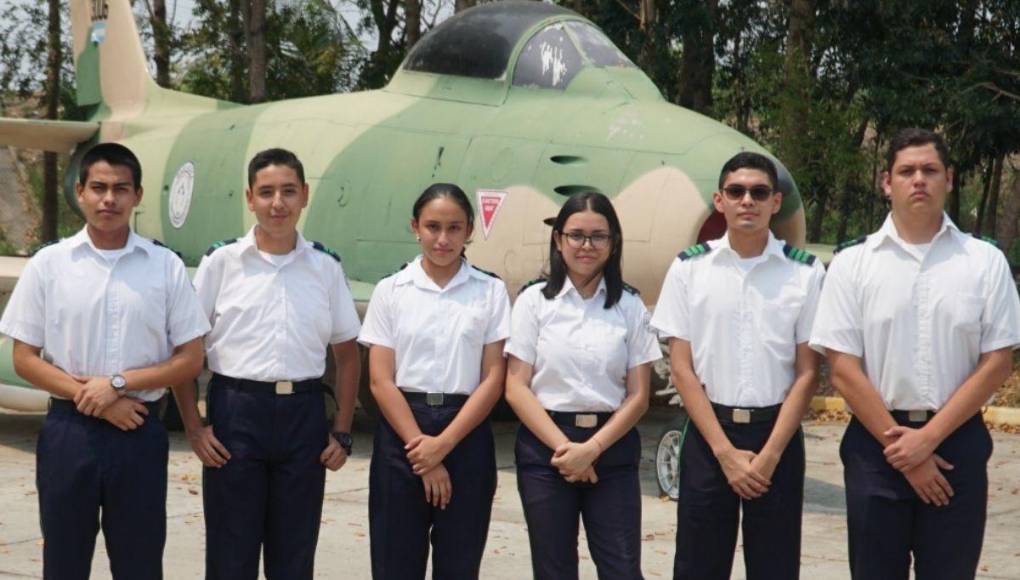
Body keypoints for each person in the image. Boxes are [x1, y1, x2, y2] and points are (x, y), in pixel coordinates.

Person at [809, 128, 1020, 580]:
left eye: (929, 170)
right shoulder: (853, 263)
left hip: (956, 446)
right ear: (887, 182)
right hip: (875, 447)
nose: (918, 179)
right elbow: (843, 369)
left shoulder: (983, 262)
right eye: (906, 171)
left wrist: (927, 441)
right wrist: (904, 447)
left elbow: (997, 361)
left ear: (949, 178)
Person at [0, 142, 209, 579]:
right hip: (68, 435)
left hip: (139, 432)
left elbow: (190, 359)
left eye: (120, 188)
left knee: (139, 562)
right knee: (64, 561)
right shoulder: (48, 264)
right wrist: (92, 396)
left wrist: (116, 383)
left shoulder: (165, 266)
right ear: (80, 192)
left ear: (138, 195)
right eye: (98, 187)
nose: (108, 199)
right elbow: (24, 358)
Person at [173, 148, 361, 579]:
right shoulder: (222, 262)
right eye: (267, 192)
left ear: (305, 196)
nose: (278, 203)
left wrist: (343, 430)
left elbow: (347, 356)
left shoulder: (325, 267)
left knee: (294, 556)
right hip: (237, 414)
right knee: (230, 554)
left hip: (303, 416)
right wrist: (193, 427)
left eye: (289, 191)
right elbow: (186, 349)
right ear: (249, 198)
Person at [650, 152, 823, 580]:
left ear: (775, 202)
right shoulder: (690, 268)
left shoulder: (804, 274)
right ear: (719, 200)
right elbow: (682, 367)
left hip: (776, 437)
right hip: (710, 436)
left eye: (759, 192)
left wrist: (769, 456)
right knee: (698, 566)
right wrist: (724, 452)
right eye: (737, 191)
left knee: (775, 566)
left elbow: (808, 372)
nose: (748, 200)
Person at [504, 191, 661, 580]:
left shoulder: (629, 306)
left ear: (613, 242)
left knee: (622, 569)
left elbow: (639, 394)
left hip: (611, 447)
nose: (586, 246)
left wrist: (590, 450)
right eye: (576, 235)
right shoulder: (534, 302)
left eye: (598, 236)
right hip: (547, 451)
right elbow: (516, 386)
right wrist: (567, 450)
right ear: (558, 240)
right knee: (554, 569)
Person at [358, 183, 510, 579]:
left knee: (459, 565)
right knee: (395, 565)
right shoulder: (391, 290)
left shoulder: (490, 291)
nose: (443, 239)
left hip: (465, 433)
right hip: (402, 433)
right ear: (415, 227)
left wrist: (443, 445)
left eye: (454, 228)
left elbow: (493, 378)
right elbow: (379, 380)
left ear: (469, 230)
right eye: (433, 227)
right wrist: (423, 456)